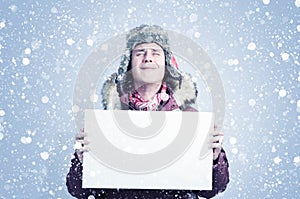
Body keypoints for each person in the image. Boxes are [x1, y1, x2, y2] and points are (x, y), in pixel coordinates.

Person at [66, 24, 229, 199]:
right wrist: (83, 162)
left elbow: (212, 189)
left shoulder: (190, 118)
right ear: (129, 63)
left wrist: (214, 159)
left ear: (166, 64)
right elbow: (77, 190)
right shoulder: (107, 121)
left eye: (155, 52)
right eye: (140, 52)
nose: (148, 58)